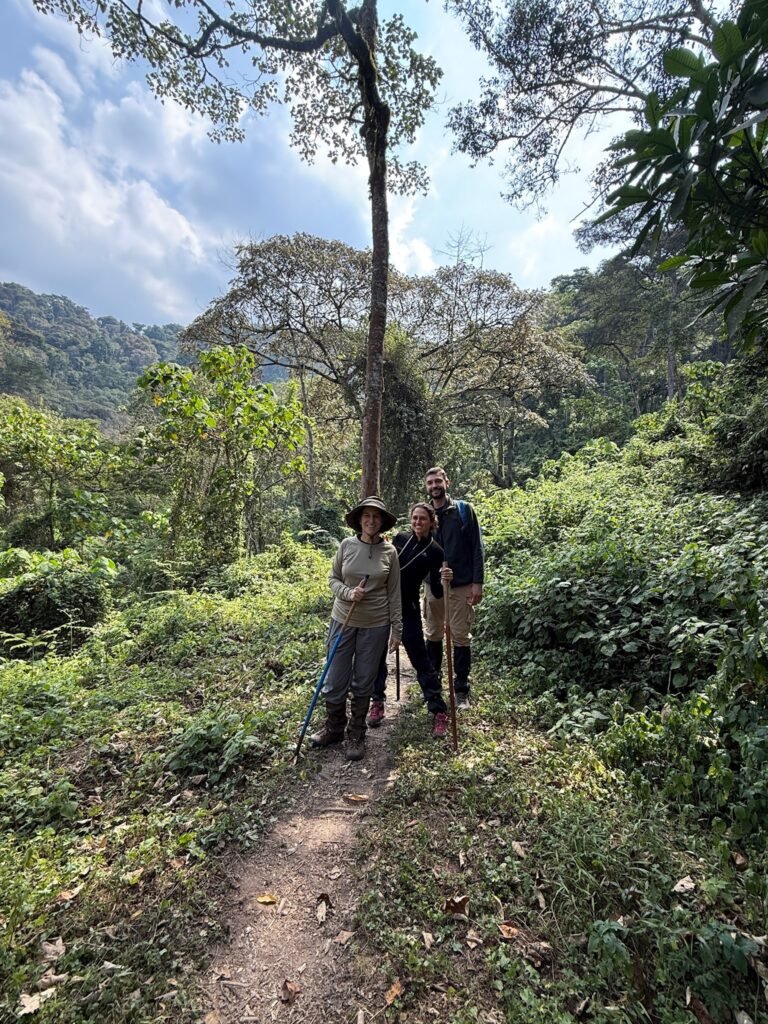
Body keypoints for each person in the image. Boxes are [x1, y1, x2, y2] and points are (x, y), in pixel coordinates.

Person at [310, 496, 402, 761]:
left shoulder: (390, 552)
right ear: (360, 520)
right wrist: (349, 593)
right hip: (343, 620)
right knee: (335, 677)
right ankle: (334, 728)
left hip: (376, 624)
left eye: (376, 516)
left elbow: (394, 593)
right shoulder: (346, 545)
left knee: (364, 680)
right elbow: (333, 579)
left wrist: (397, 629)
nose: (371, 520)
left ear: (382, 521)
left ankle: (357, 734)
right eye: (367, 516)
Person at [369, 503, 451, 738]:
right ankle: (377, 701)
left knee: (420, 658)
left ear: (432, 522)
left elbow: (437, 591)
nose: (417, 522)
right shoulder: (400, 539)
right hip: (383, 603)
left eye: (422, 518)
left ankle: (438, 710)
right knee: (377, 654)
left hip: (409, 608)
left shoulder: (436, 551)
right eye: (414, 518)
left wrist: (445, 578)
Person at [423, 466, 484, 708]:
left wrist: (477, 583)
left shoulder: (463, 510)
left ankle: (461, 689)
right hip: (433, 585)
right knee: (433, 634)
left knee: (460, 635)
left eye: (438, 481)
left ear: (447, 482)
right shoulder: (425, 514)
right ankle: (434, 685)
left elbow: (477, 547)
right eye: (430, 483)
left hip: (461, 585)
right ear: (426, 487)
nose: (434, 486)